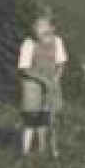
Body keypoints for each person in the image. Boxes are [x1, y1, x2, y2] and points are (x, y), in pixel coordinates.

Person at [18, 15, 68, 158]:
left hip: (51, 81)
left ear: (51, 28)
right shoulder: (29, 44)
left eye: (43, 26)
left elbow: (61, 63)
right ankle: (25, 153)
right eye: (37, 26)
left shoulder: (57, 42)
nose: (39, 29)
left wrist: (56, 78)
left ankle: (45, 151)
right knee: (31, 117)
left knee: (47, 117)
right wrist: (43, 80)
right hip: (32, 81)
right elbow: (24, 68)